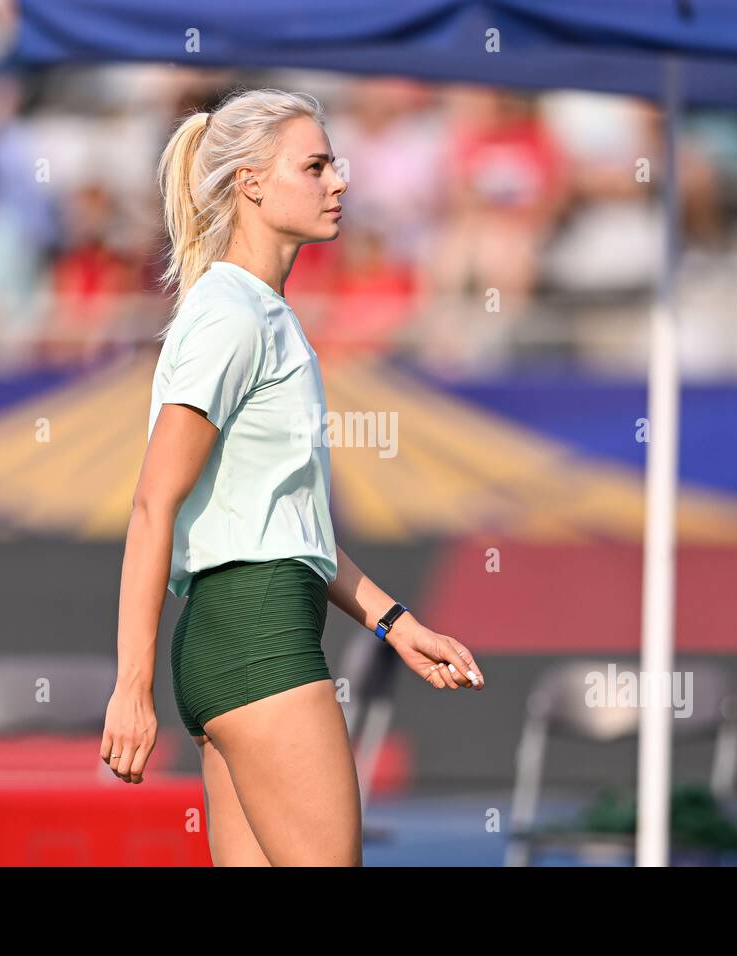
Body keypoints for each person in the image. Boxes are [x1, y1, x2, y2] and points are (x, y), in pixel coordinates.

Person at [100, 88, 487, 867]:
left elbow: (292, 529)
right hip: (258, 638)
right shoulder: (235, 315)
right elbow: (152, 502)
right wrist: (129, 687)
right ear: (250, 182)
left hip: (233, 644)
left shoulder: (258, 314)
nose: (338, 181)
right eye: (314, 166)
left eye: (335, 164)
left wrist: (396, 624)